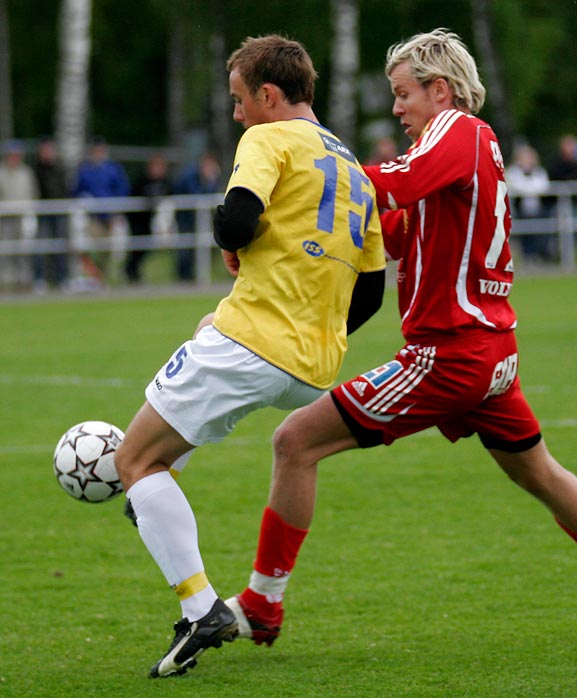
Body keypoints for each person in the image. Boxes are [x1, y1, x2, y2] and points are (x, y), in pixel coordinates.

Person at [224, 28, 577, 657]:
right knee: (539, 471)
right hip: (490, 352)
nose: (398, 108)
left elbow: (380, 189)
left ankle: (262, 604)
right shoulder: (455, 156)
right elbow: (391, 231)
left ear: (440, 90)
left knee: (294, 441)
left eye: (404, 94)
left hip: (450, 352)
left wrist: (309, 169)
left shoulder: (457, 133)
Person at [113, 34, 386, 678]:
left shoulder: (267, 139)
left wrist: (237, 242)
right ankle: (162, 485)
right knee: (207, 333)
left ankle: (200, 607)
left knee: (133, 458)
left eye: (239, 100)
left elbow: (234, 222)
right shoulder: (356, 170)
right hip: (313, 365)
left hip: (254, 342)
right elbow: (372, 290)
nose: (236, 114)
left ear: (268, 95)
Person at [73, 138, 131, 284]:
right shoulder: (85, 171)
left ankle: (113, 275)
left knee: (114, 248)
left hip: (112, 216)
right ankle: (98, 276)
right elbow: (77, 192)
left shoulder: (113, 169)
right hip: (94, 217)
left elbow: (123, 189)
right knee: (95, 246)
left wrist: (117, 210)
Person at [173, 152, 222, 281]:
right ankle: (183, 278)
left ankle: (193, 276)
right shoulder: (190, 176)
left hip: (199, 219)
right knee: (185, 249)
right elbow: (197, 196)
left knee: (202, 247)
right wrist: (210, 182)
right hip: (185, 218)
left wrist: (212, 181)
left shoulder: (210, 177)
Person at [125, 154, 172, 283]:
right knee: (137, 249)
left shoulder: (167, 183)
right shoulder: (140, 182)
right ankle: (131, 272)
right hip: (140, 222)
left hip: (157, 222)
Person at [32, 138, 70, 292]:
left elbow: (65, 190)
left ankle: (62, 278)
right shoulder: (35, 170)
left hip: (59, 212)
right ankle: (39, 279)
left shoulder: (59, 169)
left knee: (61, 246)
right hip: (43, 212)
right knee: (41, 245)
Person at [0, 139, 39, 288]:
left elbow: (33, 193)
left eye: (17, 154)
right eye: (12, 154)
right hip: (4, 217)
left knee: (24, 250)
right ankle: (4, 281)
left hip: (23, 216)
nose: (14, 157)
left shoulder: (26, 173)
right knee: (5, 250)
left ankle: (24, 281)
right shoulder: (1, 173)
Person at [505, 143, 553, 263]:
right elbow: (517, 185)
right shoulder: (513, 172)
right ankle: (528, 255)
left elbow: (543, 186)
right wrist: (531, 187)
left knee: (542, 227)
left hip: (538, 209)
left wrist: (528, 187)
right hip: (519, 211)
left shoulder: (539, 171)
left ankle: (541, 254)